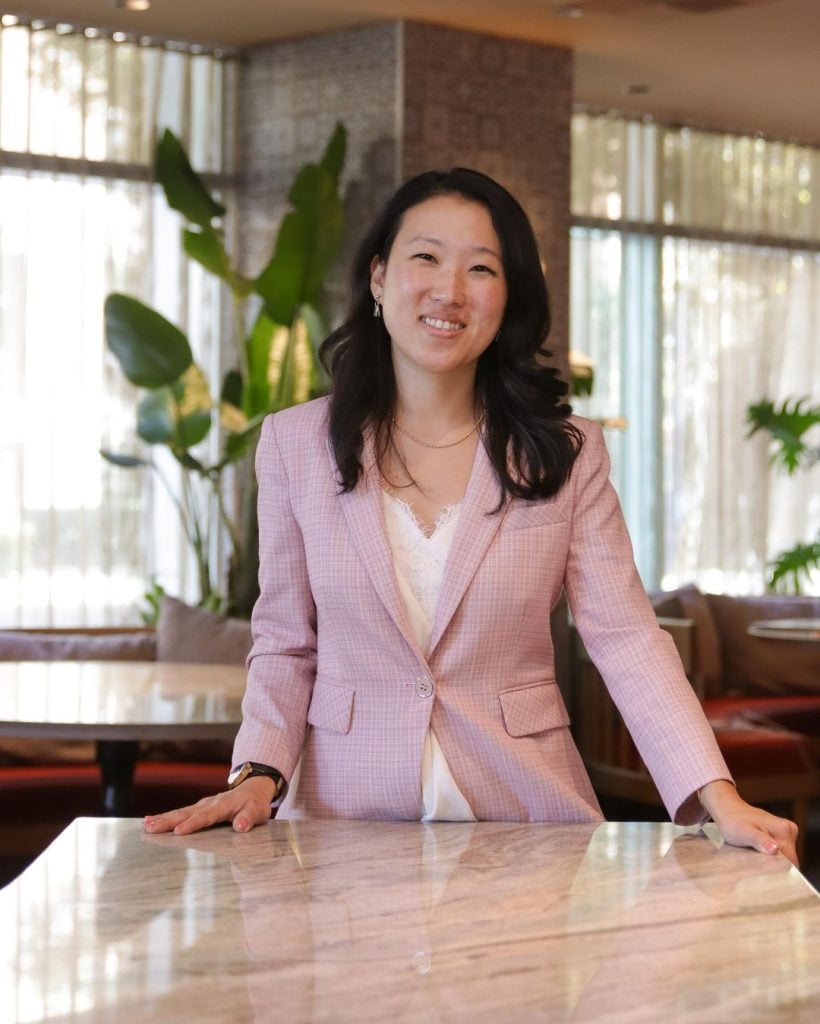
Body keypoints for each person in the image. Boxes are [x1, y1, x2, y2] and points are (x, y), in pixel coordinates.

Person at [144, 167, 798, 866]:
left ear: (507, 298)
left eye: (480, 268)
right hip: (344, 826)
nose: (449, 290)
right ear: (377, 277)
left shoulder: (566, 452)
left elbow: (627, 639)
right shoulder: (293, 445)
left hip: (528, 820)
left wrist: (716, 796)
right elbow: (285, 643)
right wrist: (258, 775)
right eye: (425, 257)